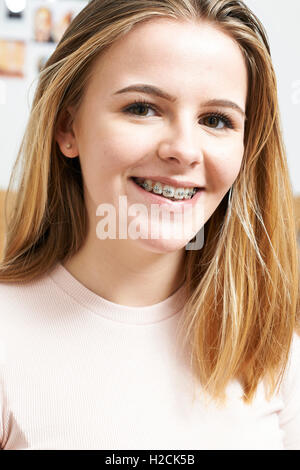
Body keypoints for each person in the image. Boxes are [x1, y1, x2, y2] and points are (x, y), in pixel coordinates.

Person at [0, 0, 299, 450]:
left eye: (216, 120)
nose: (183, 149)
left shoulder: (274, 353)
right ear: (68, 128)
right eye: (142, 108)